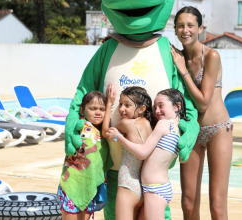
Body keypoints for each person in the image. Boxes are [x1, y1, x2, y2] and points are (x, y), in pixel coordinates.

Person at [64, 1, 200, 219]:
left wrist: (190, 126)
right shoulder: (108, 48)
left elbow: (184, 102)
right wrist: (73, 119)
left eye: (126, 105)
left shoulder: (167, 51)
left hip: (153, 177)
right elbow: (83, 92)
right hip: (117, 169)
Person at [170, 6, 233, 220]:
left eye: (190, 25)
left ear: (200, 28)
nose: (185, 30)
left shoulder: (211, 56)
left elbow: (204, 103)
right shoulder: (175, 56)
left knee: (217, 205)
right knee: (188, 203)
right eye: (180, 25)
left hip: (218, 130)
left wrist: (183, 70)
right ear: (175, 29)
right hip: (192, 132)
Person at [106, 88, 188, 220]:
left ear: (177, 106)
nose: (157, 111)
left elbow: (142, 153)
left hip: (154, 188)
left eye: (161, 106)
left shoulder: (163, 124)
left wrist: (119, 137)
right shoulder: (178, 129)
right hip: (156, 188)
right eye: (155, 107)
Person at [102, 84, 155, 220]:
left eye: (127, 105)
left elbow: (105, 132)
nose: (121, 109)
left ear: (142, 108)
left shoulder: (126, 123)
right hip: (145, 187)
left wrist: (109, 104)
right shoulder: (149, 125)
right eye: (120, 104)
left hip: (128, 184)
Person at [57, 91, 112, 220]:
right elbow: (71, 115)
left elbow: (105, 132)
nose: (98, 112)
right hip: (72, 183)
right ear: (83, 110)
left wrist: (109, 104)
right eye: (93, 108)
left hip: (89, 186)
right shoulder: (80, 127)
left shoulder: (102, 132)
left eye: (102, 109)